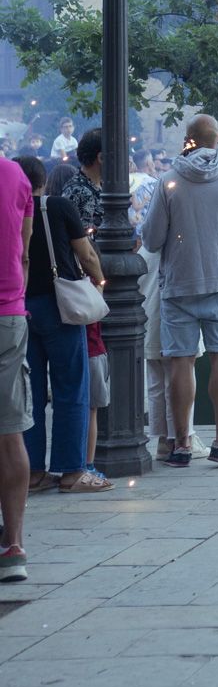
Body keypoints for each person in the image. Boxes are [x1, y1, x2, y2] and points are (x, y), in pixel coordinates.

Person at [142, 115, 218, 468]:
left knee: (181, 362)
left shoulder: (170, 180)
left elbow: (153, 238)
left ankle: (182, 444)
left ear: (188, 139)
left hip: (181, 283)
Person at [16, 155, 109, 492]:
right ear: (42, 180)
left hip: (21, 306)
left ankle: (33, 471)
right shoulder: (57, 207)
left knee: (32, 392)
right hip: (61, 307)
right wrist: (99, 284)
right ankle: (71, 470)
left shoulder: (11, 209)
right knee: (71, 388)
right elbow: (86, 255)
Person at [0, 153, 34, 581]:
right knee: (10, 432)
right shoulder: (14, 174)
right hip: (9, 311)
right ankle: (14, 546)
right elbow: (23, 252)